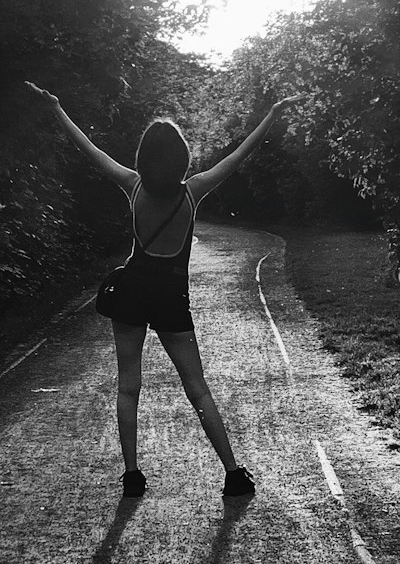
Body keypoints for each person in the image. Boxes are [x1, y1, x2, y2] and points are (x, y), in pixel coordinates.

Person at [24, 81, 306, 498]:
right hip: (171, 297)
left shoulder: (131, 184)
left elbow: (89, 149)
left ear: (142, 157)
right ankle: (232, 474)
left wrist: (56, 107)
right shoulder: (193, 192)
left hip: (132, 292)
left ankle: (133, 476)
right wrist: (272, 114)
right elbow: (239, 155)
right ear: (182, 159)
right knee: (197, 386)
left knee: (127, 385)